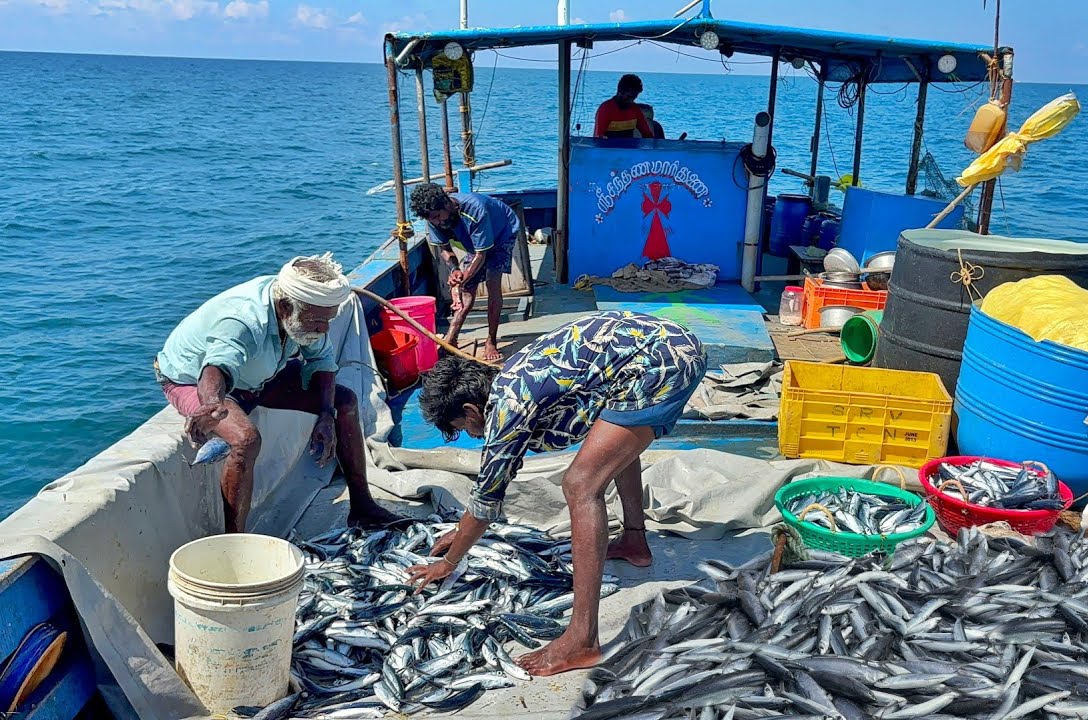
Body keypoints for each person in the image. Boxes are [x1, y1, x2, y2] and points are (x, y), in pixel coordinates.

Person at [406, 310, 708, 675]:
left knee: (580, 484)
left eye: (464, 427)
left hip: (660, 365)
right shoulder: (509, 377)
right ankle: (635, 543)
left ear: (471, 409)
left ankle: (582, 640)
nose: (473, 436)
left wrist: (448, 563)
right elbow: (492, 488)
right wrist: (462, 530)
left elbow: (487, 499)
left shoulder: (508, 406)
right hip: (665, 345)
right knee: (610, 452)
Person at [154, 253, 404, 533]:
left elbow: (322, 363)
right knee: (245, 440)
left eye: (329, 320)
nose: (325, 329)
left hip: (261, 374)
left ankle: (362, 507)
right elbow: (215, 369)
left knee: (344, 401)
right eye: (318, 322)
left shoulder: (307, 312)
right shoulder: (243, 321)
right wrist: (212, 404)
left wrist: (325, 414)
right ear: (285, 307)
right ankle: (233, 541)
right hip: (196, 380)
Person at [410, 183, 521, 363]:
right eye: (432, 220)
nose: (437, 222)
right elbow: (444, 248)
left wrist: (462, 280)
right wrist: (455, 270)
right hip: (475, 243)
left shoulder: (475, 210)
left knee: (493, 283)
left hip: (502, 232)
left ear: (447, 203)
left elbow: (481, 254)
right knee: (467, 291)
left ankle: (491, 340)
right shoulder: (434, 218)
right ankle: (451, 338)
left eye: (438, 217)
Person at [593, 74, 654, 139]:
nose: (631, 101)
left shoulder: (635, 109)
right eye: (629, 97)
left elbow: (647, 135)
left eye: (634, 97)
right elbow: (598, 137)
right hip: (608, 148)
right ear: (620, 92)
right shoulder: (605, 109)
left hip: (629, 148)